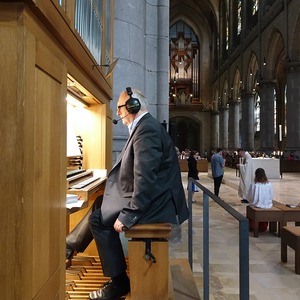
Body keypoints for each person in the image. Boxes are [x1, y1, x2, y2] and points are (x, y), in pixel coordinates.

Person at [88, 88, 189, 300]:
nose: (117, 114)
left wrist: (129, 215)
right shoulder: (145, 127)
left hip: (158, 204)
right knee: (99, 204)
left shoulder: (147, 130)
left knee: (98, 219)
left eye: (119, 108)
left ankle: (119, 282)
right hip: (157, 197)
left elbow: (146, 178)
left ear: (133, 107)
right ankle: (70, 246)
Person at [247, 168, 274, 232]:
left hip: (256, 205)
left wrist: (252, 201)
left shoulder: (254, 184)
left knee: (249, 208)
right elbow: (271, 196)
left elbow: (250, 196)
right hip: (268, 205)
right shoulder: (269, 184)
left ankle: (252, 226)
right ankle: (263, 226)